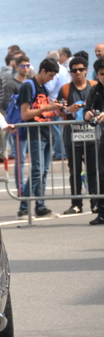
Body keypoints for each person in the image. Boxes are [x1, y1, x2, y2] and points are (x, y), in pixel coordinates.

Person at [16, 58, 64, 219]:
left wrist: (58, 108)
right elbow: (25, 114)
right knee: (37, 170)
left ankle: (40, 206)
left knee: (43, 171)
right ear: (43, 71)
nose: (52, 79)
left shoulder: (43, 86)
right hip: (35, 133)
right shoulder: (28, 86)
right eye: (50, 75)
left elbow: (44, 111)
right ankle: (23, 207)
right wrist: (48, 107)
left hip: (46, 131)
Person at [60, 57, 98, 215]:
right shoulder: (66, 89)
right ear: (70, 72)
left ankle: (96, 202)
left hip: (92, 134)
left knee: (93, 170)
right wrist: (70, 109)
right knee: (74, 171)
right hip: (72, 135)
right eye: (74, 70)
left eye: (81, 69)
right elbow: (59, 109)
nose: (78, 73)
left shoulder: (94, 86)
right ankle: (76, 204)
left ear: (86, 70)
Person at [3, 55, 32, 192]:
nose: (26, 68)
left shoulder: (30, 83)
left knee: (30, 159)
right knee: (19, 158)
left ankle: (30, 186)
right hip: (17, 126)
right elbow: (7, 105)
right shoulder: (12, 84)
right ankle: (20, 187)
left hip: (30, 124)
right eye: (23, 66)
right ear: (16, 67)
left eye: (28, 65)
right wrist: (10, 124)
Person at [84, 58, 104, 225]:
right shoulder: (95, 90)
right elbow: (86, 110)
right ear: (97, 75)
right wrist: (88, 114)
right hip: (102, 137)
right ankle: (102, 212)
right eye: (102, 74)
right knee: (102, 174)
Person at [45, 51, 71, 161]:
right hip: (63, 98)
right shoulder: (64, 69)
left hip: (53, 100)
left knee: (56, 128)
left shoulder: (55, 71)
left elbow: (49, 87)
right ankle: (62, 151)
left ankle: (60, 153)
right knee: (60, 127)